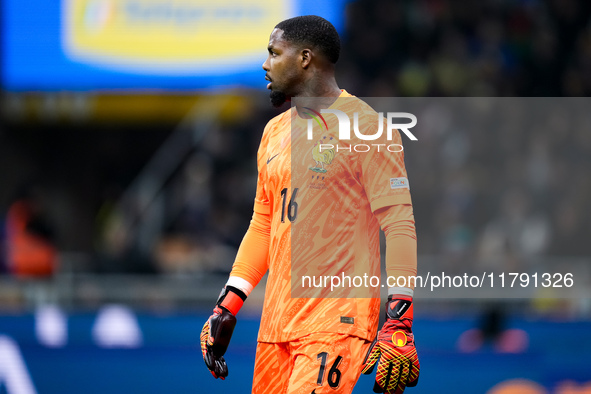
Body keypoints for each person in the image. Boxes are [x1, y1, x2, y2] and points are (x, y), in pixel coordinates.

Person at [201, 15, 420, 394]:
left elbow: (399, 224)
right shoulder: (273, 133)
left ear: (304, 58)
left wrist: (400, 318)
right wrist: (228, 303)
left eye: (274, 53)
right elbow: (263, 224)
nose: (265, 64)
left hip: (336, 322)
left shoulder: (368, 127)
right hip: (276, 326)